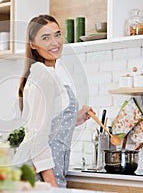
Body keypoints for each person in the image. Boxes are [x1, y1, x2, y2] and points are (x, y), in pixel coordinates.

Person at [13, 15, 93, 188]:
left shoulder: (47, 74)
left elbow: (51, 124)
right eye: (45, 38)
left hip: (47, 171)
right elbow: (38, 136)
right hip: (38, 174)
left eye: (57, 34)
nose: (55, 42)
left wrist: (76, 117)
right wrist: (52, 184)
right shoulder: (43, 77)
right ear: (32, 45)